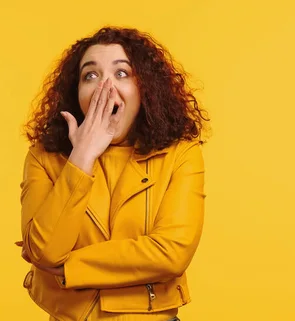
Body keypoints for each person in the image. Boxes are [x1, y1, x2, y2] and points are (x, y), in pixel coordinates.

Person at [17, 26, 210, 321]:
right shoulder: (44, 157)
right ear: (75, 92)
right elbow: (44, 252)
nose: (104, 88)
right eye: (90, 76)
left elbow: (172, 253)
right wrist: (82, 156)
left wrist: (71, 267)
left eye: (122, 73)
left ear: (146, 87)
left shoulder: (181, 153)